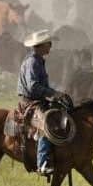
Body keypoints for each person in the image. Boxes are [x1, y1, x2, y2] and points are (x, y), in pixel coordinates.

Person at [17, 29, 68, 176]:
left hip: (38, 100)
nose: (50, 46)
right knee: (46, 127)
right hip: (31, 103)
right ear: (40, 46)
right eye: (48, 44)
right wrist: (52, 93)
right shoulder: (33, 62)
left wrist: (56, 94)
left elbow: (41, 87)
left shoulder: (38, 61)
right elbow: (33, 86)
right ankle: (42, 164)